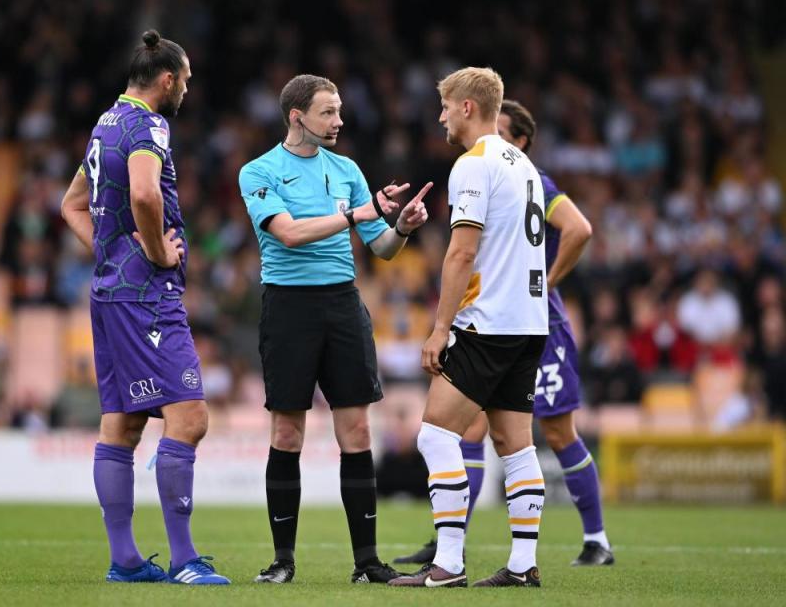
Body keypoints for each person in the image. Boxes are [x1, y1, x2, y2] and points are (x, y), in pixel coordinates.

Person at [394, 99, 613, 568]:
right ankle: (470, 547)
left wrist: (547, 282)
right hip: (512, 319)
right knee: (483, 433)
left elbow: (577, 228)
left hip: (515, 319)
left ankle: (595, 538)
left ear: (521, 142)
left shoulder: (522, 174)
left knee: (546, 432)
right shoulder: (522, 174)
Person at [238, 74, 432, 584]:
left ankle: (367, 563)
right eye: (328, 112)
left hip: (343, 305)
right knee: (287, 432)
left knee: (358, 431)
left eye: (340, 110)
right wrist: (355, 215)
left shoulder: (346, 170)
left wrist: (404, 228)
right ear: (297, 116)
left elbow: (382, 249)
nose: (339, 121)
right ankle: (283, 561)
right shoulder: (259, 171)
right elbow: (288, 234)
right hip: (288, 309)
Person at [60, 29, 229, 585]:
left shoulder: (105, 123)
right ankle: (184, 561)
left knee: (124, 423)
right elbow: (144, 195)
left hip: (108, 293)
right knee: (190, 417)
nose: (186, 89)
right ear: (166, 80)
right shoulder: (148, 125)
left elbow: (72, 206)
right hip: (147, 299)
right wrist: (156, 253)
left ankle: (126, 561)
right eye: (185, 80)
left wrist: (113, 254)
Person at [388, 69, 548, 588]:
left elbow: (462, 249)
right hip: (529, 319)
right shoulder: (523, 163)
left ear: (467, 107)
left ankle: (448, 564)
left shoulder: (472, 165)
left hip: (488, 322)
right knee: (514, 444)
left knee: (435, 435)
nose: (439, 116)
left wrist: (440, 328)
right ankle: (523, 566)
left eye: (445, 106)